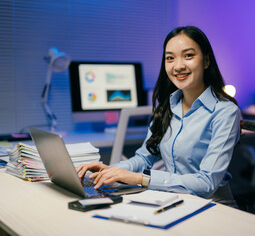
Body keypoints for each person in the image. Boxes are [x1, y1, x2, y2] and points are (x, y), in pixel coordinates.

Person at [77, 26, 241, 207]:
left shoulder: (225, 112)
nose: (178, 66)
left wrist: (141, 178)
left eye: (188, 56)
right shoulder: (167, 107)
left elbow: (206, 183)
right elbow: (144, 158)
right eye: (170, 58)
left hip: (214, 207)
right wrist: (112, 170)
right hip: (174, 201)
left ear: (206, 61)